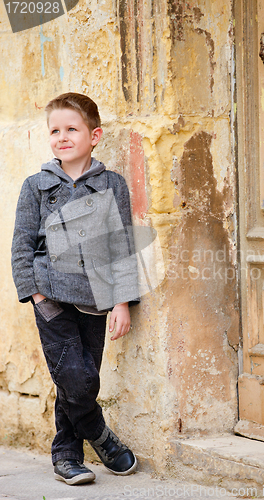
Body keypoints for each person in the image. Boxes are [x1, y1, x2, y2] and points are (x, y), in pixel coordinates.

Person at [11, 93, 140, 485]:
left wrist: (122, 302)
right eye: (55, 130)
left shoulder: (110, 185)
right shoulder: (36, 186)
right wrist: (35, 294)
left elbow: (122, 246)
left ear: (94, 135)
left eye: (72, 129)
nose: (61, 136)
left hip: (96, 301)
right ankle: (102, 438)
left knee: (83, 379)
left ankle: (66, 454)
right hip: (50, 297)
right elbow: (21, 245)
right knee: (75, 376)